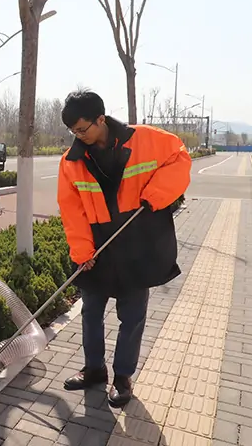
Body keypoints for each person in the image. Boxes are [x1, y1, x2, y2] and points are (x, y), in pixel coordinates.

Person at [55, 90, 191, 408]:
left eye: (83, 129)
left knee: (132, 317)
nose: (79, 136)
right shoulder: (71, 162)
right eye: (74, 132)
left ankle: (122, 377)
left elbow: (179, 158)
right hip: (99, 246)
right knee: (90, 313)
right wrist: (82, 252)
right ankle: (94, 370)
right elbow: (71, 209)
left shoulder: (145, 140)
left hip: (137, 242)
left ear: (100, 119)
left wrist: (156, 194)